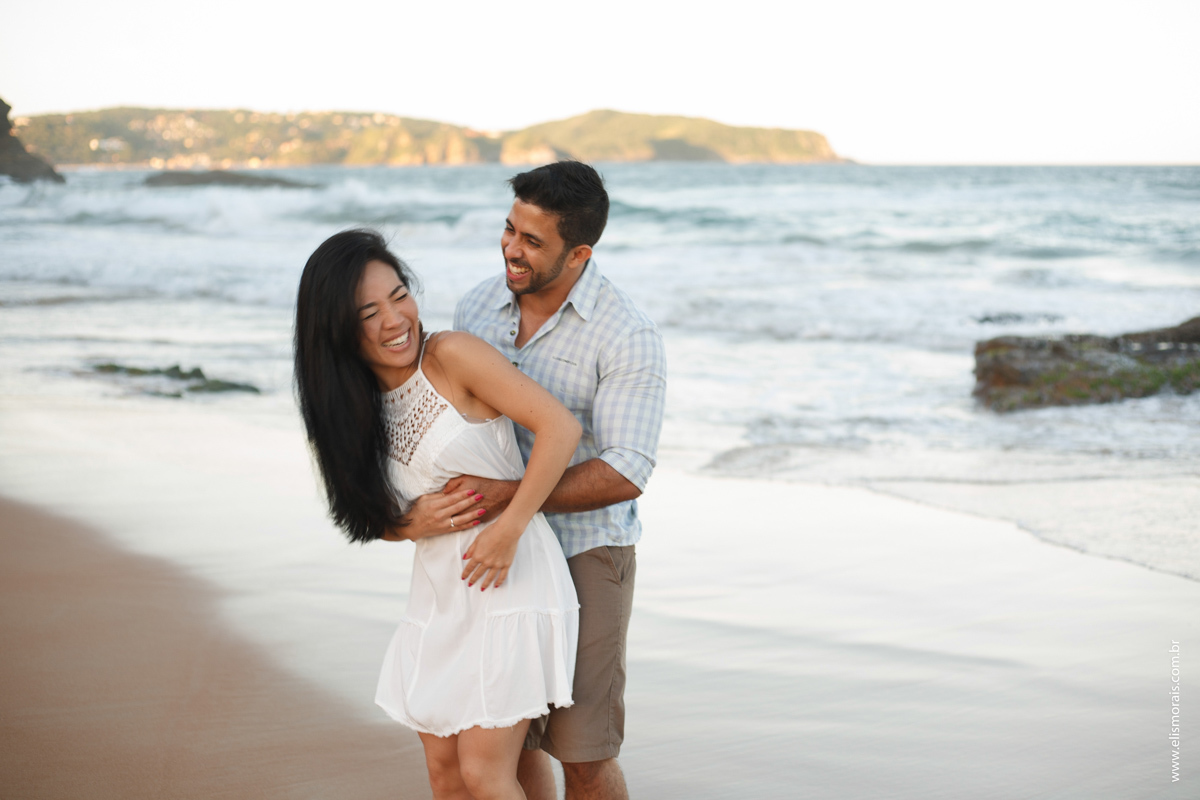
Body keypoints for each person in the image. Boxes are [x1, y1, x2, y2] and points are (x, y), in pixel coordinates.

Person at [403, 161, 667, 800]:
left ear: (579, 253)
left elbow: (627, 469)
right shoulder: (476, 308)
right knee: (505, 738)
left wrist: (511, 500)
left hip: (584, 551)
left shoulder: (626, 335)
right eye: (508, 230)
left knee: (582, 753)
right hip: (491, 559)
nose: (511, 250)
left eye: (532, 242)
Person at [294, 229, 582, 800]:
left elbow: (560, 429)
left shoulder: (450, 357)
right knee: (445, 777)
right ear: (336, 330)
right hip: (438, 600)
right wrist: (410, 524)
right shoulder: (350, 407)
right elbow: (365, 515)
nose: (394, 319)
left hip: (509, 580)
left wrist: (509, 528)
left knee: (484, 773)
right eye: (368, 312)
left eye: (400, 295)